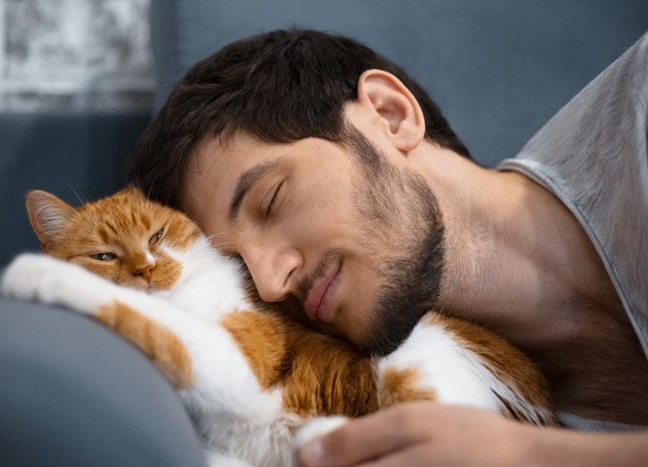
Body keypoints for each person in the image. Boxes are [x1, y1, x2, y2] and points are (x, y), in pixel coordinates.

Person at [128, 29, 648, 465]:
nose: (269, 283)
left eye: (272, 200)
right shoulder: (466, 419)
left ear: (390, 114)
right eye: (240, 269)